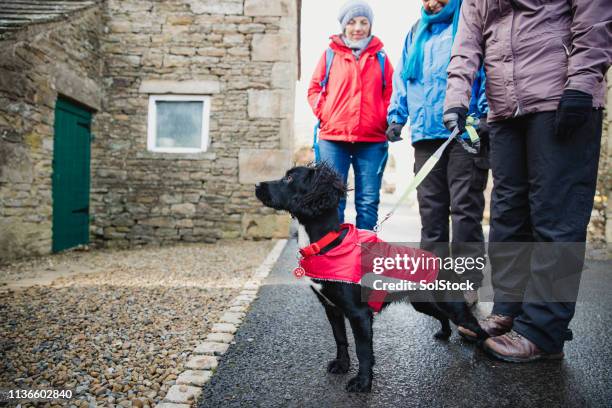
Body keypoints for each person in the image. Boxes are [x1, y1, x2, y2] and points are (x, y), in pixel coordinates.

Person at [443, 0, 611, 361]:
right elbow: (467, 40)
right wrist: (456, 100)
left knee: (556, 216)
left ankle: (544, 330)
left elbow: (594, 13)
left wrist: (582, 82)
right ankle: (509, 309)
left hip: (559, 96)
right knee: (508, 214)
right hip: (504, 108)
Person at [386, 0, 489, 304]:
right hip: (425, 133)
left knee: (465, 210)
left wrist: (484, 113)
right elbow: (403, 77)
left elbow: (484, 68)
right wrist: (396, 116)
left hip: (464, 131)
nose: (432, 2)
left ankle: (467, 282)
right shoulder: (416, 31)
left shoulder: (469, 21)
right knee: (431, 212)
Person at [307, 0, 394, 231]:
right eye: (352, 22)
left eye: (364, 22)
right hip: (333, 139)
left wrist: (384, 119)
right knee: (333, 199)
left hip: (372, 140)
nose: (358, 27)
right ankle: (336, 254)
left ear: (370, 25)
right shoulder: (329, 55)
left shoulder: (382, 58)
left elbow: (392, 93)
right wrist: (325, 113)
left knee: (367, 202)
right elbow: (314, 89)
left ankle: (364, 254)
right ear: (344, 26)